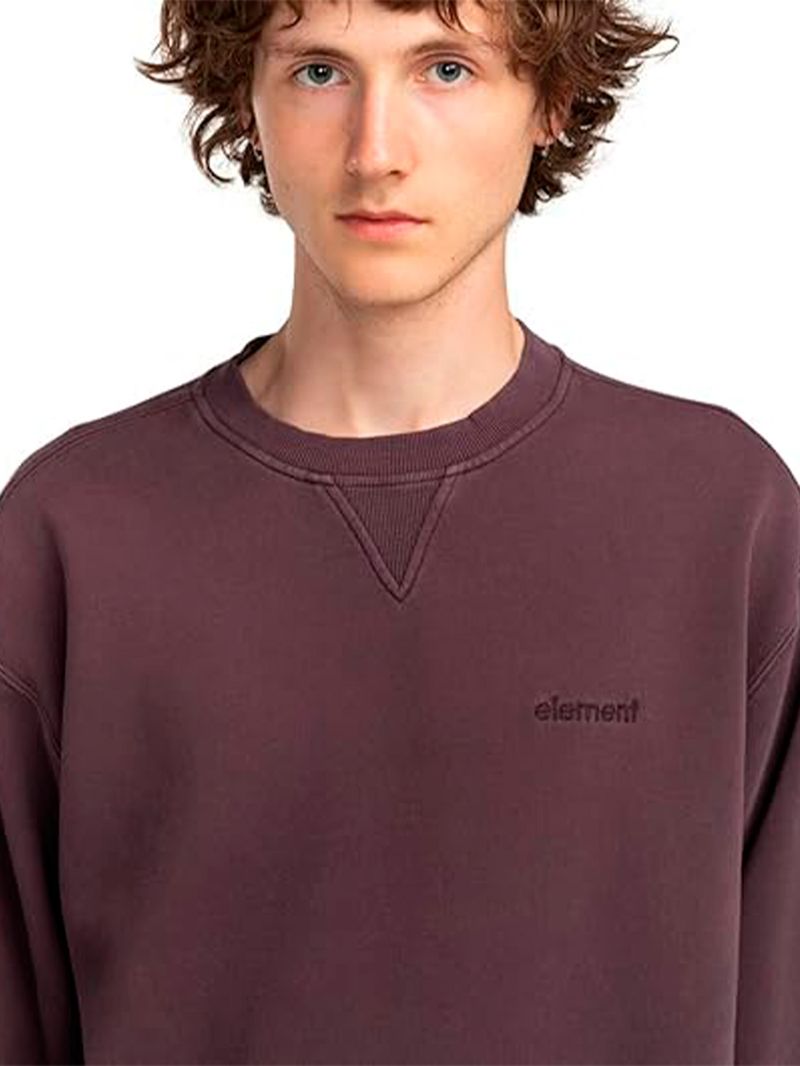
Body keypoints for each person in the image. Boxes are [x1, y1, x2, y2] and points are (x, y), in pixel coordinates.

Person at [1, 1, 797, 1062]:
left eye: (446, 70)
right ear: (247, 95)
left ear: (552, 98)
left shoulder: (720, 518)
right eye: (319, 72)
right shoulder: (73, 534)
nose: (375, 152)